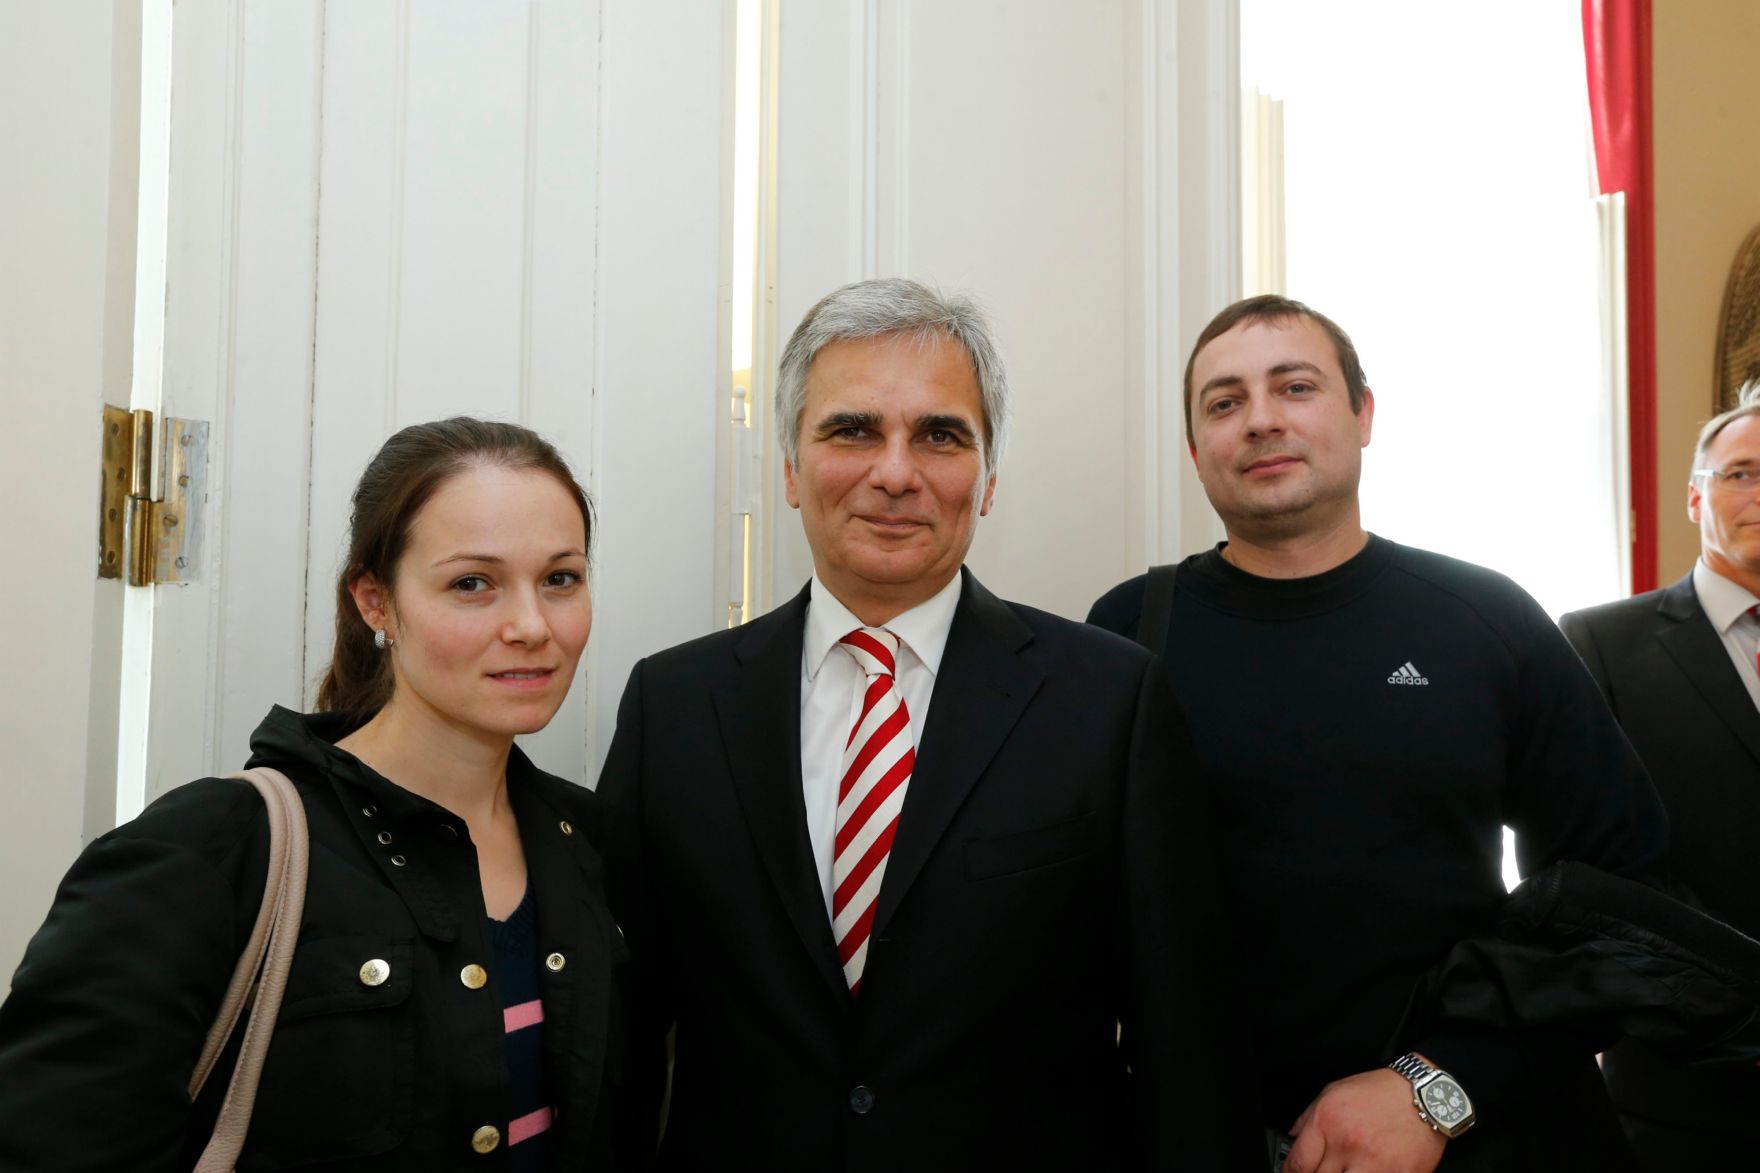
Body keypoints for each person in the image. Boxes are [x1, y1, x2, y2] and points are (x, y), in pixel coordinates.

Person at [598, 277, 1257, 1170]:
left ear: (988, 480)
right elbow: (621, 1037)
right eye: (852, 430)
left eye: (941, 435)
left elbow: (1189, 1045)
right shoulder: (673, 705)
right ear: (789, 469)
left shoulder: (1110, 700)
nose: (896, 472)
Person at [1088, 295, 1668, 1173]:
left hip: (1476, 1131)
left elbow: (1624, 891)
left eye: (1295, 386)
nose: (1261, 419)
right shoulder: (1129, 630)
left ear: (1364, 414)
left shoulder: (1483, 618)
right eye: (1225, 401)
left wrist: (1439, 1085)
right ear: (1197, 450)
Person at [0, 417, 645, 1170]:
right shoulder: (210, 851)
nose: (532, 626)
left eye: (561, 579)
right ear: (376, 602)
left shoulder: (590, 843)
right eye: (472, 583)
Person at [1559, 380, 1760, 1171]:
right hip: (1683, 1085)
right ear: (1693, 496)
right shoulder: (1603, 644)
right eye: (1741, 472)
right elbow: (1586, 868)